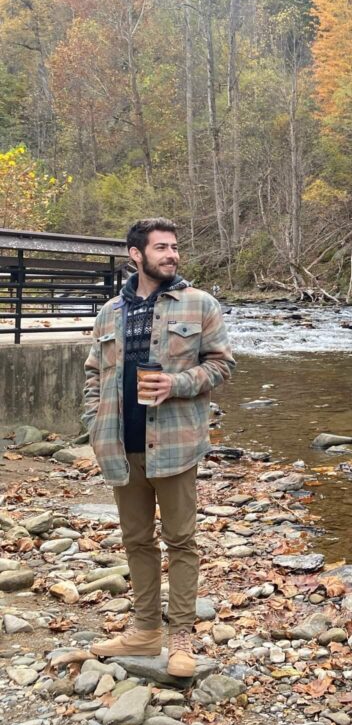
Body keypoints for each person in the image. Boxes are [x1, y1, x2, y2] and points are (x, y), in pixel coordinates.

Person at [82, 217, 235, 677]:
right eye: (162, 247)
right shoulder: (110, 312)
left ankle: (183, 638)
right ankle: (145, 630)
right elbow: (94, 372)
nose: (172, 254)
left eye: (175, 247)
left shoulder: (199, 304)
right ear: (136, 254)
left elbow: (222, 366)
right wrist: (92, 422)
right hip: (120, 443)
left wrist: (177, 382)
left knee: (181, 540)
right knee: (136, 540)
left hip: (175, 444)